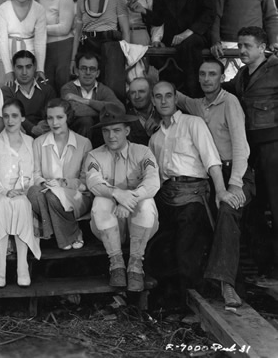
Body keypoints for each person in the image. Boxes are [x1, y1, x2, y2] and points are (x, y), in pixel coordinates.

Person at [176, 59, 251, 307]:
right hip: (212, 174)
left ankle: (227, 285)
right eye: (203, 74)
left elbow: (241, 146)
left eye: (212, 74)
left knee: (228, 210)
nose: (207, 79)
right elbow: (178, 99)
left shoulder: (229, 102)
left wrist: (235, 184)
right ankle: (198, 284)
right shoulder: (199, 105)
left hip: (236, 172)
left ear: (221, 77)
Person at [149, 81, 226, 294]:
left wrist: (220, 190)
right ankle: (174, 301)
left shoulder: (193, 123)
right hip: (166, 197)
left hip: (193, 196)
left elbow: (211, 160)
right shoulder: (155, 138)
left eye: (168, 95)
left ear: (175, 98)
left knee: (187, 249)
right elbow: (154, 176)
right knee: (164, 249)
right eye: (158, 96)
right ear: (153, 101)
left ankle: (195, 298)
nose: (163, 100)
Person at [85, 104, 160, 291]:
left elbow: (152, 182)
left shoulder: (142, 152)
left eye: (117, 130)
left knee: (147, 202)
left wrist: (129, 199)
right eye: (106, 131)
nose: (111, 136)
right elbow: (93, 182)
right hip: (109, 225)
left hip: (140, 224)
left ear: (127, 130)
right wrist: (117, 194)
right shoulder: (94, 156)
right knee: (100, 200)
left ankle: (136, 264)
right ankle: (116, 263)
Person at [223, 27, 278, 279]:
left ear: (262, 46)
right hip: (251, 150)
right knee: (253, 207)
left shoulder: (275, 69)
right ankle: (266, 266)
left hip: (273, 147)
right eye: (240, 45)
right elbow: (226, 89)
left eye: (246, 45)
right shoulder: (242, 74)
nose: (241, 50)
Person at [0, 99, 41, 287]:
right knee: (3, 203)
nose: (10, 120)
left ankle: (22, 265)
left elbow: (34, 174)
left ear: (22, 117)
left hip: (22, 194)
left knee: (22, 203)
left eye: (15, 115)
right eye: (6, 116)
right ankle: (0, 263)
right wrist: (5, 192)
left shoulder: (31, 143)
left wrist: (23, 191)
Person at [149, 0, 215, 97]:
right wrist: (155, 36)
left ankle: (196, 97)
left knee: (189, 45)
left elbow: (209, 11)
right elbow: (158, 18)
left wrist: (188, 33)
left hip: (195, 37)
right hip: (172, 40)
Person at [27, 98, 93, 248]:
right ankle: (70, 231)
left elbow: (85, 181)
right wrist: (44, 183)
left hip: (76, 196)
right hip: (47, 192)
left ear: (68, 117)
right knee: (33, 192)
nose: (54, 123)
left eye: (59, 117)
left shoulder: (83, 143)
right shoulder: (39, 142)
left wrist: (63, 183)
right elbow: (35, 174)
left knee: (52, 195)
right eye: (50, 118)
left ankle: (59, 235)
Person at [71, 0, 130, 101]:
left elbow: (125, 29)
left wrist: (127, 54)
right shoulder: (81, 0)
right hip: (89, 44)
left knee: (113, 85)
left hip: (110, 44)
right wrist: (73, 59)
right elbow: (77, 32)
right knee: (90, 84)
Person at [0, 0, 47, 88]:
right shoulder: (3, 9)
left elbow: (40, 41)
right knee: (5, 92)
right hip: (3, 57)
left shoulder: (39, 9)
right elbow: (2, 41)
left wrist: (40, 68)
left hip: (28, 59)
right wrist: (8, 71)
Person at [61, 52, 124, 144]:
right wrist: (106, 112)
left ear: (97, 73)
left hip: (99, 135)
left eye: (92, 69)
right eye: (83, 68)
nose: (88, 72)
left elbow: (120, 109)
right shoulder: (68, 88)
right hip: (74, 135)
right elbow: (74, 110)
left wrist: (86, 101)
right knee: (86, 121)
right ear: (77, 71)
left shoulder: (103, 90)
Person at [37, 0, 76, 93]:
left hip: (62, 47)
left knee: (62, 84)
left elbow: (65, 28)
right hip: (46, 47)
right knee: (47, 85)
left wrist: (39, 29)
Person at [1, 50, 55, 138]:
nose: (24, 72)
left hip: (45, 135)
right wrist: (32, 128)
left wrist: (45, 123)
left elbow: (53, 113)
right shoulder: (7, 91)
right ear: (13, 68)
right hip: (18, 137)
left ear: (35, 67)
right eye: (20, 67)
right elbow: (12, 114)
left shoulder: (47, 90)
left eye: (28, 67)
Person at [126, 77, 160, 146]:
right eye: (133, 93)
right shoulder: (125, 119)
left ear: (151, 93)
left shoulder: (162, 112)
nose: (137, 96)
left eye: (141, 92)